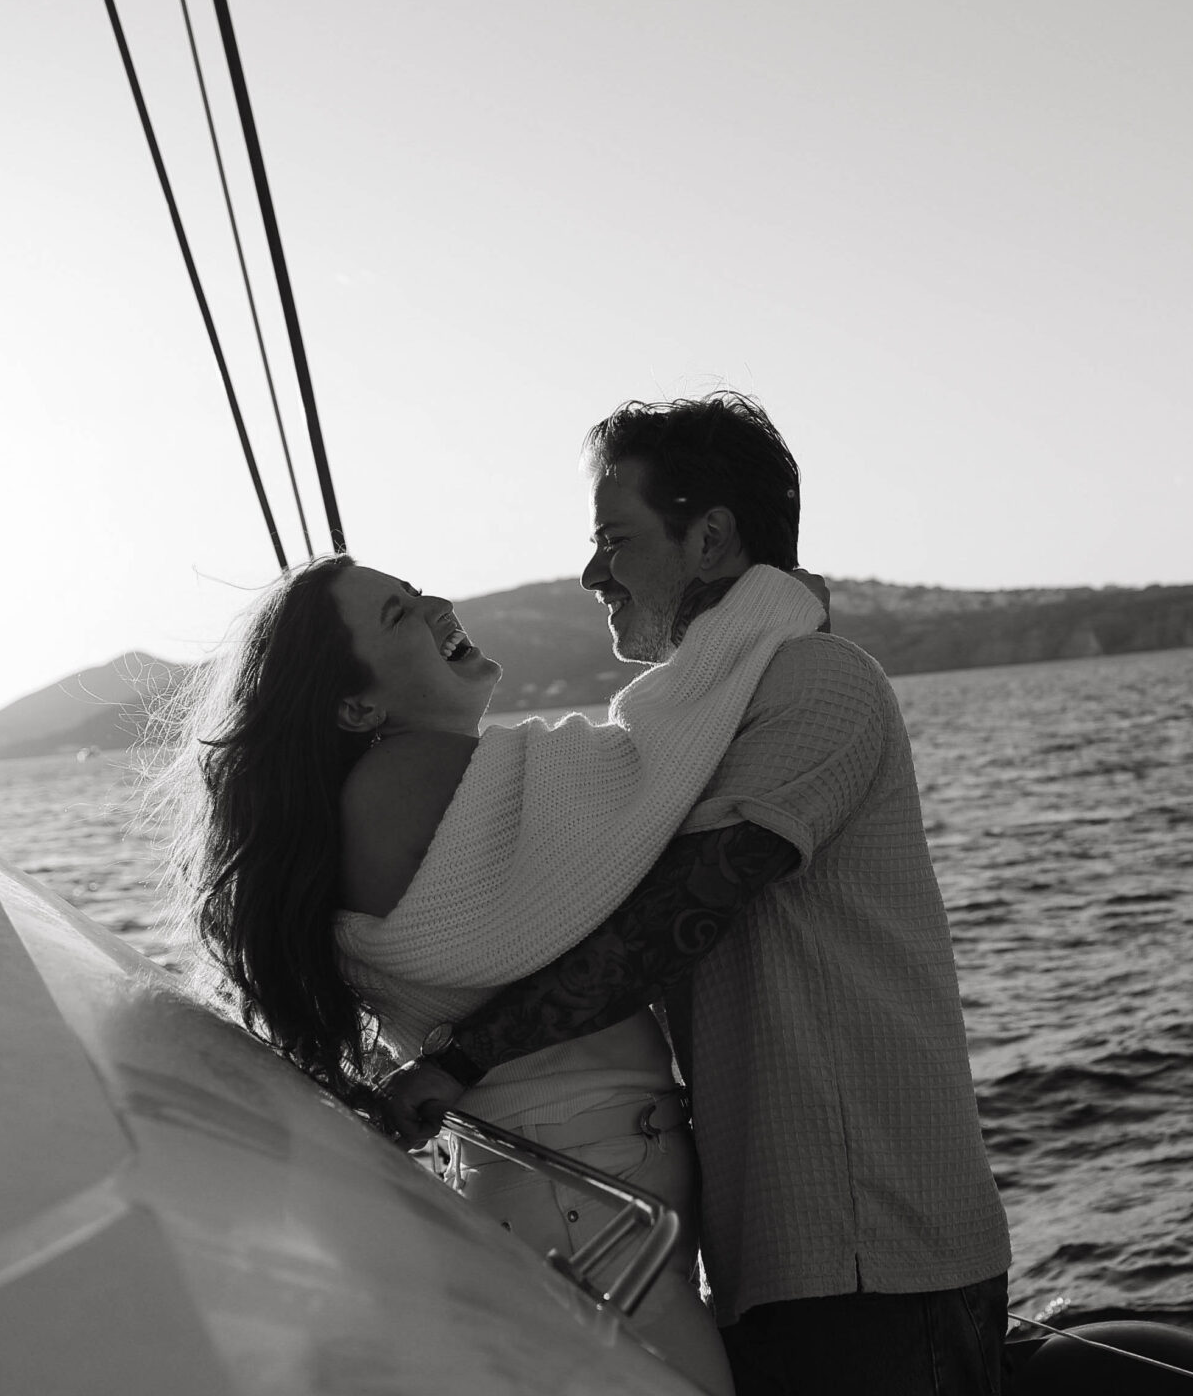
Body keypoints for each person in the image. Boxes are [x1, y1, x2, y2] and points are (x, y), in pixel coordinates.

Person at [378, 394, 1011, 1396]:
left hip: (875, 1252)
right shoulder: (690, 728)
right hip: (787, 1258)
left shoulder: (817, 682)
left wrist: (462, 1055)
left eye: (613, 539)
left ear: (709, 537)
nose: (591, 572)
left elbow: (671, 917)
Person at [153, 517, 828, 1392]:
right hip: (587, 1194)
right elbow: (645, 765)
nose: (437, 606)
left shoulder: (370, 798)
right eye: (399, 614)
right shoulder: (413, 775)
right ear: (357, 708)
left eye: (416, 587)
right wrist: (774, 604)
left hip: (549, 1185)